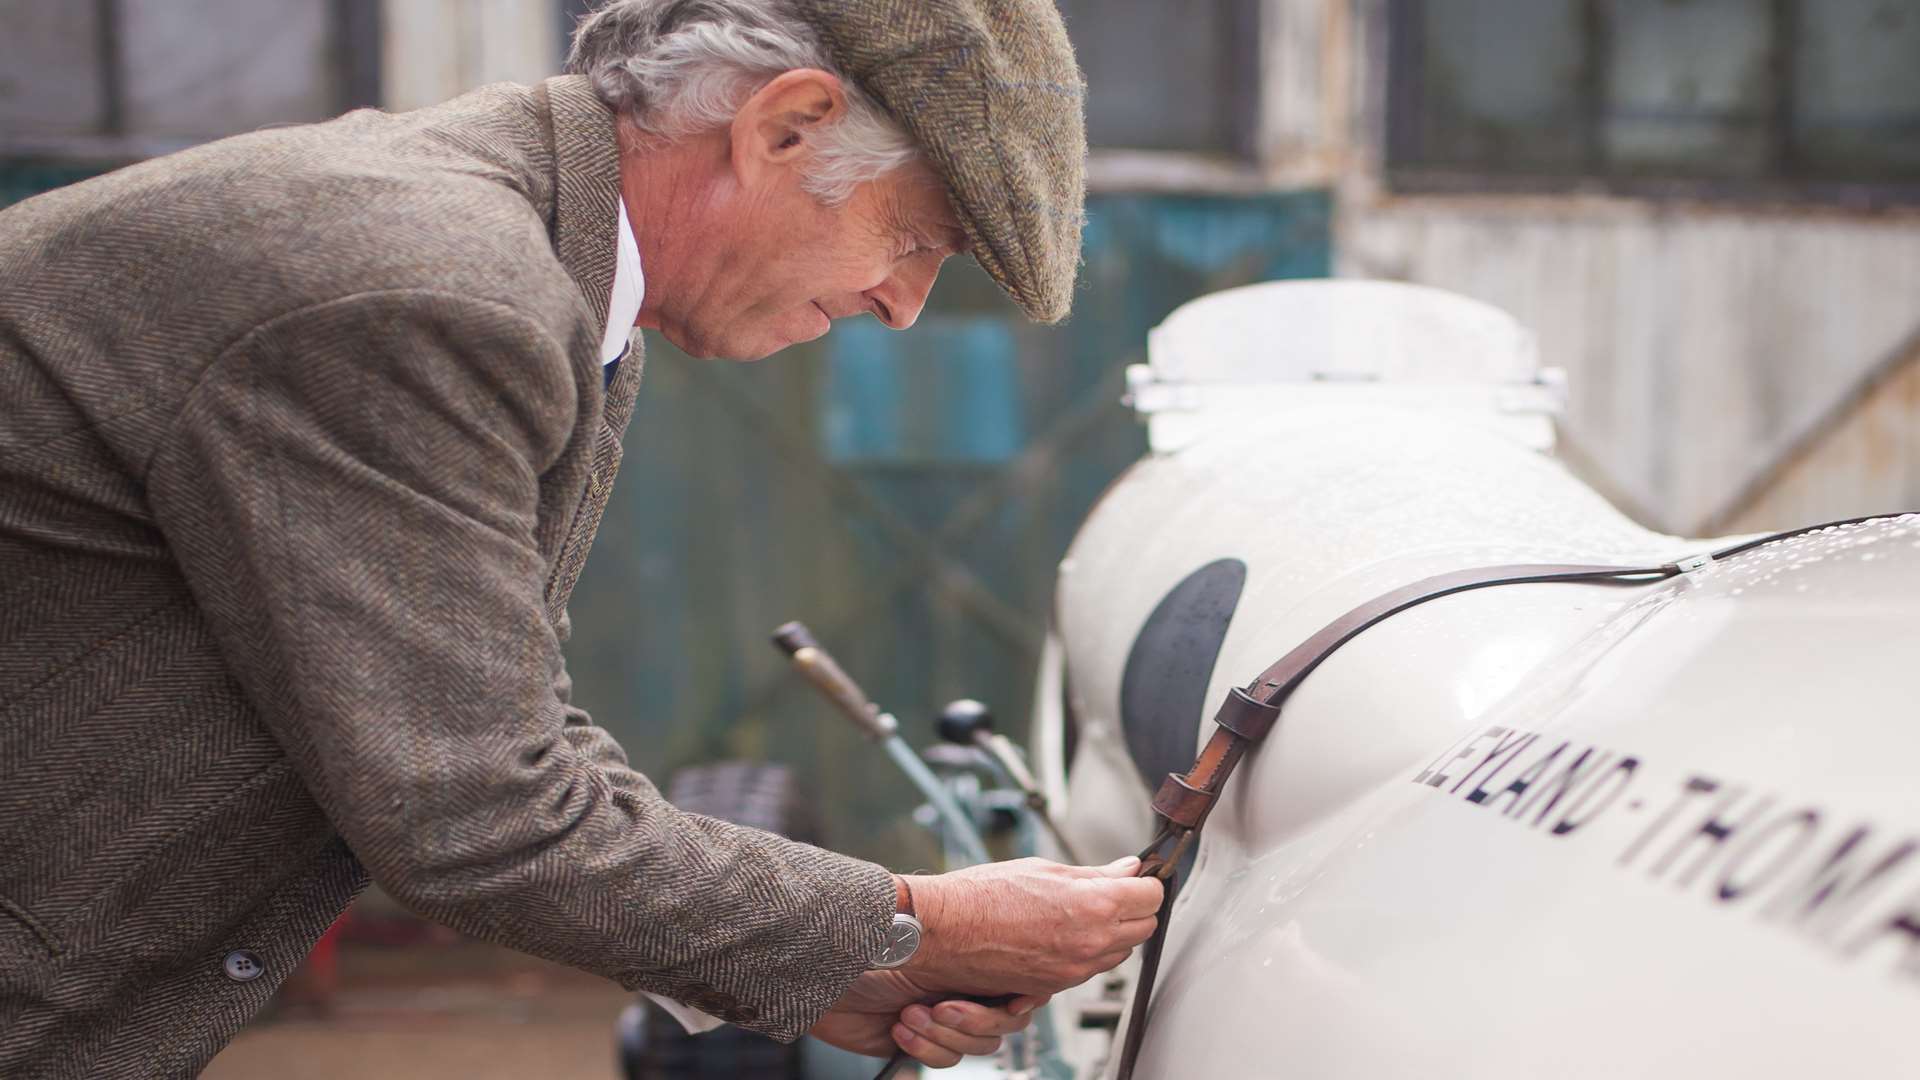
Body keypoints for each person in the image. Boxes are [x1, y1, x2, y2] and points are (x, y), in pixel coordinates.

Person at [0, 0, 1166, 1076]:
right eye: (917, 239)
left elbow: (507, 711)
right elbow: (477, 810)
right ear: (789, 126)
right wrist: (914, 920)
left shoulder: (550, 273)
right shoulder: (432, 289)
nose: (901, 307)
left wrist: (827, 967)